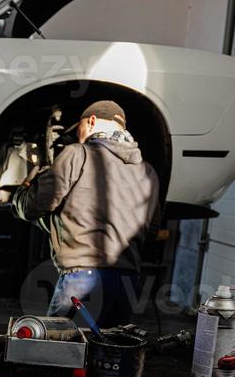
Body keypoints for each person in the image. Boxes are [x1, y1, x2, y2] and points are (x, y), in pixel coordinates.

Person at [10, 99, 159, 328]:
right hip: (127, 283)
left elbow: (36, 205)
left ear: (90, 122)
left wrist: (21, 193)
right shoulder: (148, 171)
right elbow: (151, 231)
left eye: (77, 128)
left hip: (83, 280)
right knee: (109, 356)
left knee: (60, 352)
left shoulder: (78, 154)